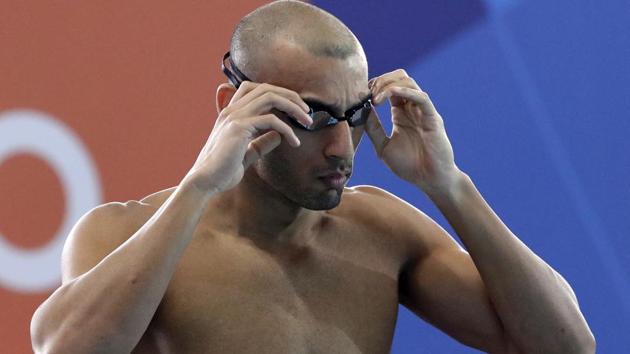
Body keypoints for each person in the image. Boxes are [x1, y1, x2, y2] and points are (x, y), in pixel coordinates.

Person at [30, 1, 595, 353]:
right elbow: (64, 348)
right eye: (315, 117)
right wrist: (200, 185)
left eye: (352, 116)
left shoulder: (382, 231)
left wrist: (447, 184)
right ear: (235, 106)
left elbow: (565, 345)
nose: (341, 147)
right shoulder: (126, 235)